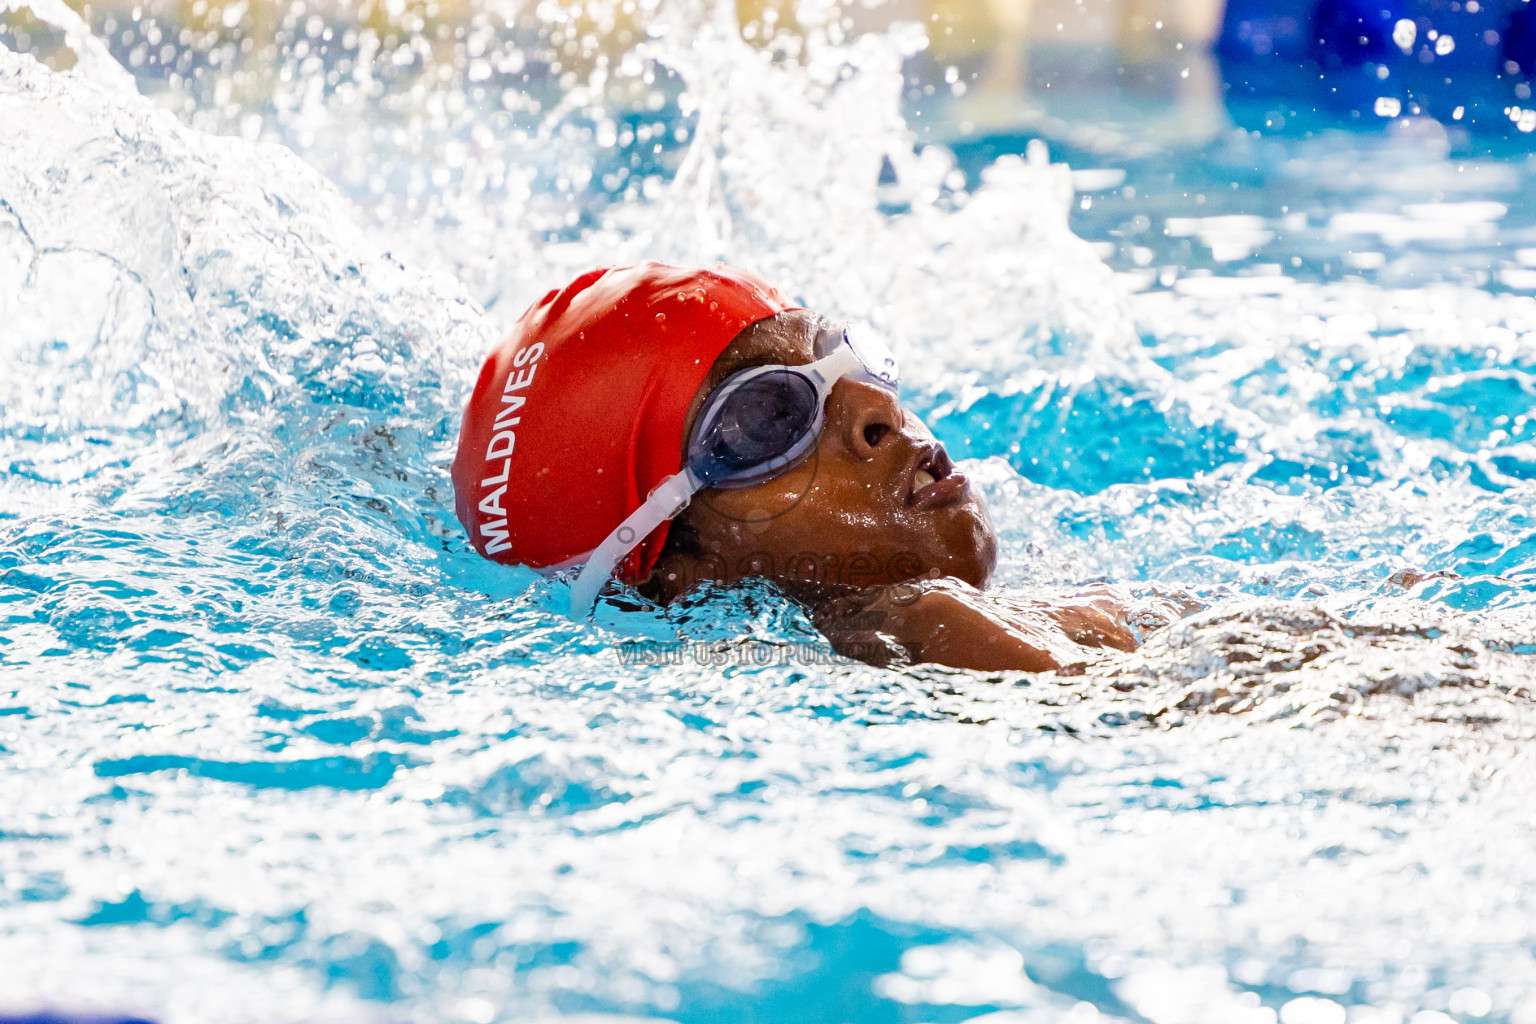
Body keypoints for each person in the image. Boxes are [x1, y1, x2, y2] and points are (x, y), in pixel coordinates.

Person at [452, 261, 1152, 671]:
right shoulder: (929, 627)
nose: (878, 412)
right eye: (771, 417)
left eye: (845, 355)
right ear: (674, 572)